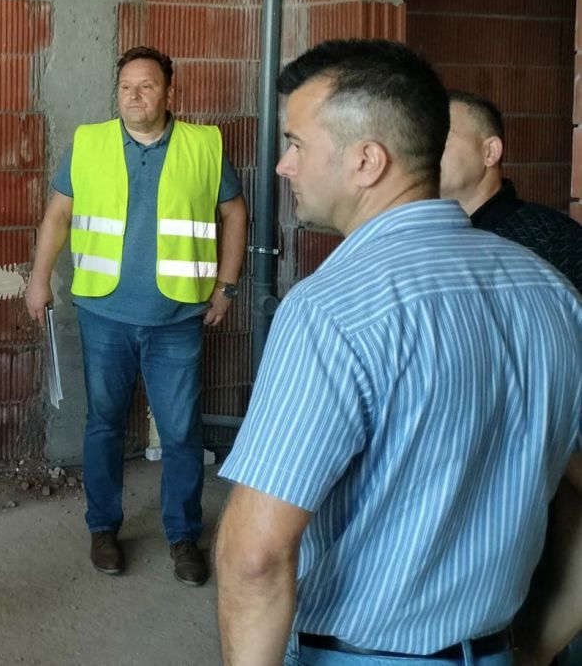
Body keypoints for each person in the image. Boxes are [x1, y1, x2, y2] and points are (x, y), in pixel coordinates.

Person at [215, 39, 582, 666]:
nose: (283, 166)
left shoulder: (331, 310)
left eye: (296, 144)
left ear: (367, 161)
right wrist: (539, 647)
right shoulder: (551, 293)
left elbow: (256, 557)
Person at [24, 45, 246, 586]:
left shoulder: (204, 145)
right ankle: (103, 528)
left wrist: (227, 286)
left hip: (178, 316)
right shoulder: (89, 143)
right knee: (103, 424)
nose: (135, 96)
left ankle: (183, 536)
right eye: (126, 87)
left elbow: (234, 212)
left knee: (181, 432)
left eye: (147, 86)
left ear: (169, 92)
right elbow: (58, 214)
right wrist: (38, 278)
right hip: (105, 313)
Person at [440, 89, 582, 293]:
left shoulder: (554, 239)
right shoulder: (418, 235)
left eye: (443, 138)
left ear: (490, 152)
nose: (428, 151)